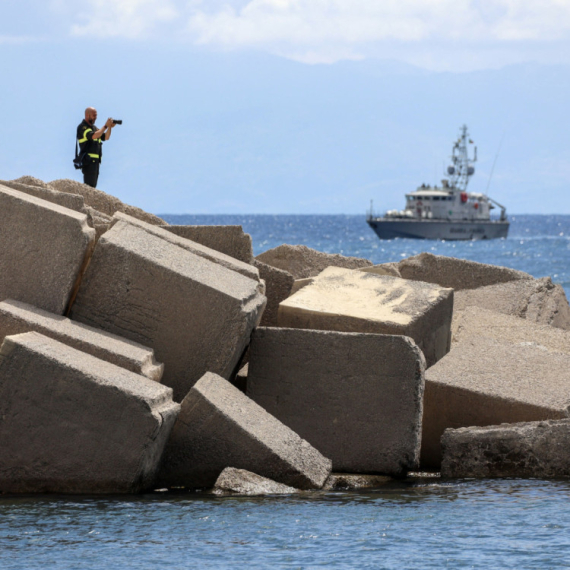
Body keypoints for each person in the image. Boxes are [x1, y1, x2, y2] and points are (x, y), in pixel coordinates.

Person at [76, 107, 116, 188]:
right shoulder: (83, 127)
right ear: (88, 115)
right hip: (88, 162)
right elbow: (94, 135)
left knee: (93, 187)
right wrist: (105, 126)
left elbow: (106, 137)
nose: (96, 117)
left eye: (96, 115)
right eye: (94, 115)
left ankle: (87, 200)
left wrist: (110, 127)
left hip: (96, 162)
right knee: (89, 187)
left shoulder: (94, 128)